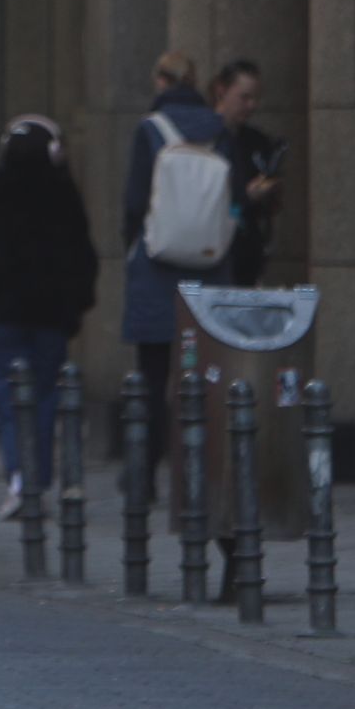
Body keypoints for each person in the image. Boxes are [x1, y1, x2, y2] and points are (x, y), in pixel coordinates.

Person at [0, 113, 94, 515]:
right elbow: (84, 260)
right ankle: (36, 476)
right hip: (51, 315)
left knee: (8, 394)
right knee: (45, 394)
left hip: (4, 312)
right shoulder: (64, 197)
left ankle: (20, 476)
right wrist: (76, 305)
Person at [118, 49, 220, 507]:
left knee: (153, 375)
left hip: (158, 268)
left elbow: (135, 202)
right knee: (205, 376)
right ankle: (202, 474)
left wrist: (133, 245)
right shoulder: (219, 131)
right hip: (211, 268)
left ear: (161, 82)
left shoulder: (150, 130)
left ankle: (143, 473)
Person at [207, 57, 290, 288]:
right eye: (244, 97)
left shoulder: (257, 142)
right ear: (221, 92)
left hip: (247, 254)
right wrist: (245, 195)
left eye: (255, 98)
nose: (251, 105)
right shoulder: (203, 139)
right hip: (212, 252)